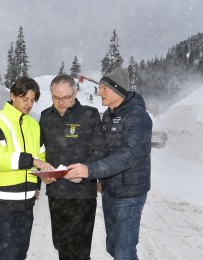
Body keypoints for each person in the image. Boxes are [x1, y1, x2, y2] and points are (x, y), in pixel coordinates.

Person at [66, 67, 152, 260]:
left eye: (105, 88)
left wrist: (90, 170)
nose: (100, 91)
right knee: (114, 248)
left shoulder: (137, 116)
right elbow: (103, 150)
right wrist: (98, 177)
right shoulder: (108, 114)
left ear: (118, 90)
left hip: (129, 195)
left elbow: (128, 155)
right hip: (110, 190)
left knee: (124, 253)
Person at [0, 76, 53, 260]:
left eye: (32, 100)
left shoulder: (33, 125)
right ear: (12, 95)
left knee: (20, 254)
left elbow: (41, 156)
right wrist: (32, 161)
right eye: (24, 99)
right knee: (6, 255)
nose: (29, 104)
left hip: (26, 203)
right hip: (1, 203)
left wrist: (41, 179)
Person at [39, 74, 107, 260]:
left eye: (66, 97)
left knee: (80, 250)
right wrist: (42, 174)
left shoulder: (89, 115)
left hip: (82, 195)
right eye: (56, 98)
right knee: (61, 245)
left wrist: (85, 171)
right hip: (56, 194)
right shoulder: (45, 117)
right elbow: (37, 151)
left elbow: (100, 151)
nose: (61, 102)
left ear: (75, 94)